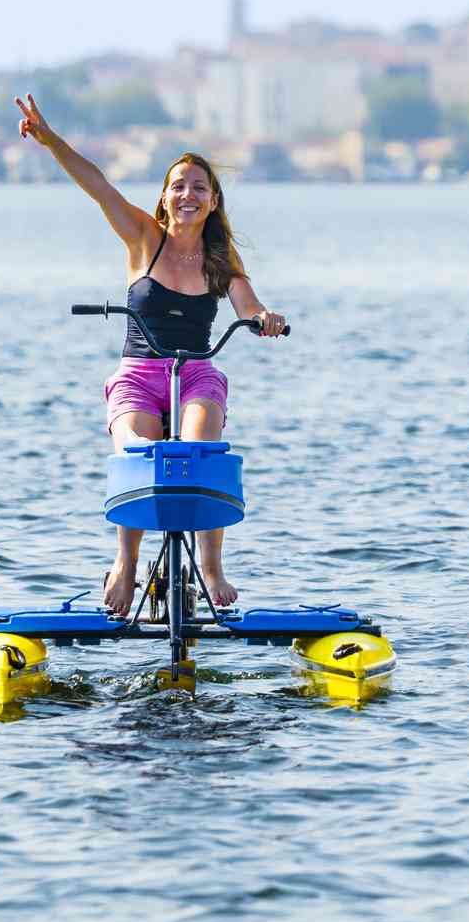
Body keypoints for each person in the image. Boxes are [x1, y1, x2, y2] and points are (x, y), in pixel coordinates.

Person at [15, 93, 286, 615]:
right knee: (138, 452)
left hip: (198, 374)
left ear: (212, 202)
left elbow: (248, 304)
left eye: (199, 188)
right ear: (165, 198)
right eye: (178, 186)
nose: (188, 194)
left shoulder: (219, 256)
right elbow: (97, 185)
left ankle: (211, 569)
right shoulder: (143, 237)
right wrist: (49, 140)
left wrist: (263, 319)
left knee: (203, 449)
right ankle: (125, 565)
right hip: (139, 375)